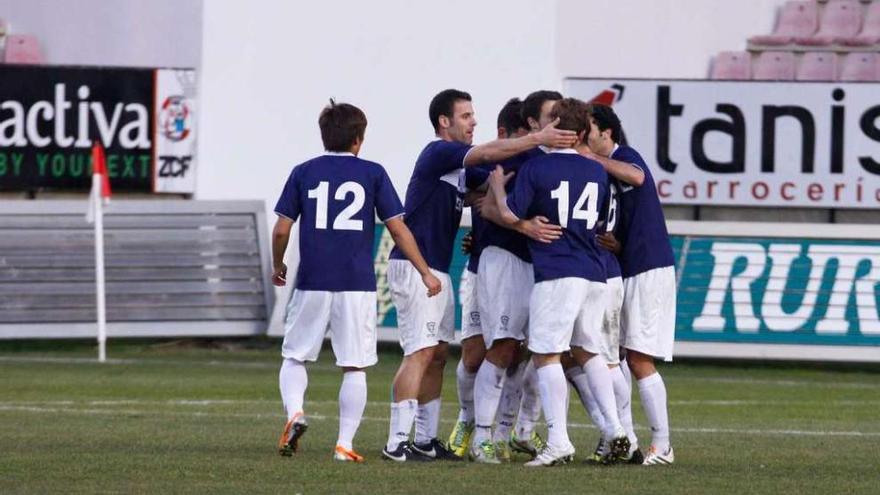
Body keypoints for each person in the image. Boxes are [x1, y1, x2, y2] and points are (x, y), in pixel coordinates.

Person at [382, 88, 576, 462]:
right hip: (415, 267)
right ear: (444, 122)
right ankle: (395, 443)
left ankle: (424, 439)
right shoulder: (438, 151)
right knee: (419, 353)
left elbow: (494, 181)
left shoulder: (461, 170)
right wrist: (538, 139)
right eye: (467, 116)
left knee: (437, 354)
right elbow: (489, 153)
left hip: (437, 267)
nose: (474, 122)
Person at [272, 100, 441, 463]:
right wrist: (425, 271)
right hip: (357, 283)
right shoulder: (373, 173)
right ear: (359, 139)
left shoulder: (303, 172)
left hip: (312, 280)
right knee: (355, 364)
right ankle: (344, 444)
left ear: (323, 137)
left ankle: (295, 413)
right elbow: (398, 228)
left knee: (295, 356)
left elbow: (282, 229)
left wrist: (278, 264)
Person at [483, 98, 629, 467]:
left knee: (547, 354)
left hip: (558, 271)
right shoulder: (597, 171)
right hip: (594, 271)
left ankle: (559, 440)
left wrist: (498, 187)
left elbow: (511, 213)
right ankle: (615, 430)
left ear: (556, 129)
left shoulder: (538, 168)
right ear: (582, 133)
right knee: (587, 350)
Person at [468, 90, 564, 464]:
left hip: (540, 265)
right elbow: (486, 204)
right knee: (504, 346)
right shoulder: (520, 155)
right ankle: (481, 438)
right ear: (532, 124)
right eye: (552, 115)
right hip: (506, 257)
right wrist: (524, 226)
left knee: (528, 352)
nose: (560, 121)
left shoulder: (561, 161)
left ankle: (509, 434)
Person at [582, 103, 677, 466]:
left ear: (606, 133)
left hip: (650, 269)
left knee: (638, 358)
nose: (584, 139)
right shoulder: (606, 176)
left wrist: (592, 158)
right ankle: (622, 437)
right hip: (631, 267)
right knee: (616, 355)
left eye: (588, 131)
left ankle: (663, 445)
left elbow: (637, 177)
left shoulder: (626, 156)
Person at [447, 97, 529, 459]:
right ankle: (468, 420)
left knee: (516, 353)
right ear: (504, 133)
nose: (530, 139)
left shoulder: (531, 165)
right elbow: (461, 192)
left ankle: (502, 432)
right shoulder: (483, 163)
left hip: (520, 269)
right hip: (481, 269)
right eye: (525, 133)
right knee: (473, 356)